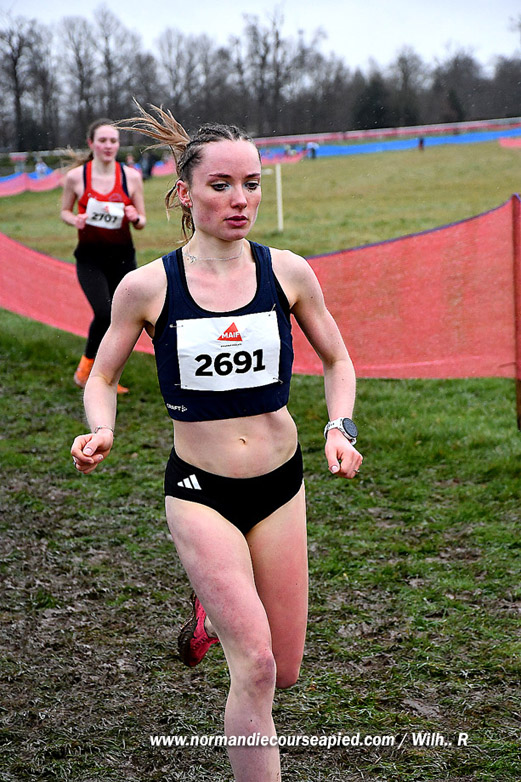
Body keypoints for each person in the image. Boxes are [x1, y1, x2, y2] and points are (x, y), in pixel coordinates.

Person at [70, 104, 363, 782]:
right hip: (200, 493)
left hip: (279, 484)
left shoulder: (287, 271)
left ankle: (213, 607)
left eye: (251, 184)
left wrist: (337, 428)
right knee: (255, 667)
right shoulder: (149, 287)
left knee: (285, 669)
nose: (240, 199)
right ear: (183, 193)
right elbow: (103, 375)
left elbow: (338, 362)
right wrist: (102, 427)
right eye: (221, 185)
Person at [61, 118, 146, 393]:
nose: (108, 146)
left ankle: (108, 376)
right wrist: (75, 220)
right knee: (104, 312)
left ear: (118, 145)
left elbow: (142, 220)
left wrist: (135, 216)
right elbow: (65, 211)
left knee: (123, 318)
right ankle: (86, 369)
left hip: (123, 258)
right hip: (90, 258)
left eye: (113, 141)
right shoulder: (77, 177)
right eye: (103, 140)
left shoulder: (130, 176)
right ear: (91, 143)